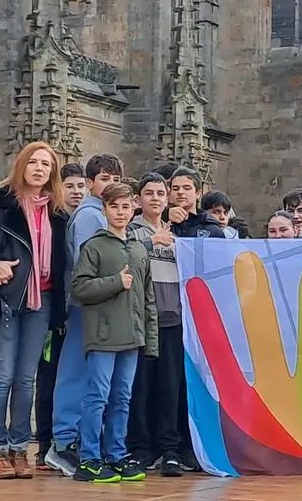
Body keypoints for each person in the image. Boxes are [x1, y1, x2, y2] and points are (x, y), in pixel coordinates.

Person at [0, 141, 69, 479]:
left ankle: (19, 448)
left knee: (26, 378)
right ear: (21, 165)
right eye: (34, 162)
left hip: (43, 301)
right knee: (3, 375)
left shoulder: (58, 211)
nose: (39, 168)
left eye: (46, 164)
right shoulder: (0, 202)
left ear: (53, 172)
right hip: (6, 297)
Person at [71, 182, 159, 483]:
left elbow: (148, 298)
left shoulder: (137, 248)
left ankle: (116, 453)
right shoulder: (94, 246)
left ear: (133, 207)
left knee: (122, 397)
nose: (120, 212)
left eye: (125, 206)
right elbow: (80, 288)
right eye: (114, 206)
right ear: (105, 209)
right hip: (103, 335)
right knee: (98, 395)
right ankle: (89, 457)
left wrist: (150, 339)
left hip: (131, 337)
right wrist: (114, 282)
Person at [46, 153, 124, 477]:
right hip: (87, 305)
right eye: (104, 179)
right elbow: (90, 264)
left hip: (95, 305)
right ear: (92, 183)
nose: (110, 185)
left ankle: (70, 438)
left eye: (115, 179)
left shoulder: (98, 212)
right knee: (76, 371)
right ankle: (63, 443)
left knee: (86, 374)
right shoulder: (91, 215)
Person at [151, 166, 224, 476]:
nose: (180, 193)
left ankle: (193, 447)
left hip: (200, 319)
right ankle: (168, 447)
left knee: (197, 383)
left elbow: (219, 267)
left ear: (198, 192)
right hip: (169, 318)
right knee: (168, 383)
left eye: (186, 188)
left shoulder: (211, 228)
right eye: (175, 188)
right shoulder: (163, 225)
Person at [125, 172, 178, 470]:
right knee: (140, 386)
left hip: (173, 318)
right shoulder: (132, 231)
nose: (155, 198)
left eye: (160, 193)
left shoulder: (178, 232)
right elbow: (126, 258)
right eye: (149, 193)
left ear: (167, 197)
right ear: (138, 199)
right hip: (143, 319)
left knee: (170, 387)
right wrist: (151, 241)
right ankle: (141, 447)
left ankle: (169, 447)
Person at [35, 163, 86, 470]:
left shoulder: (85, 220)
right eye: (70, 186)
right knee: (49, 377)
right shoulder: (55, 222)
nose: (76, 191)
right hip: (54, 312)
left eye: (81, 186)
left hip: (72, 312)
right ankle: (44, 445)